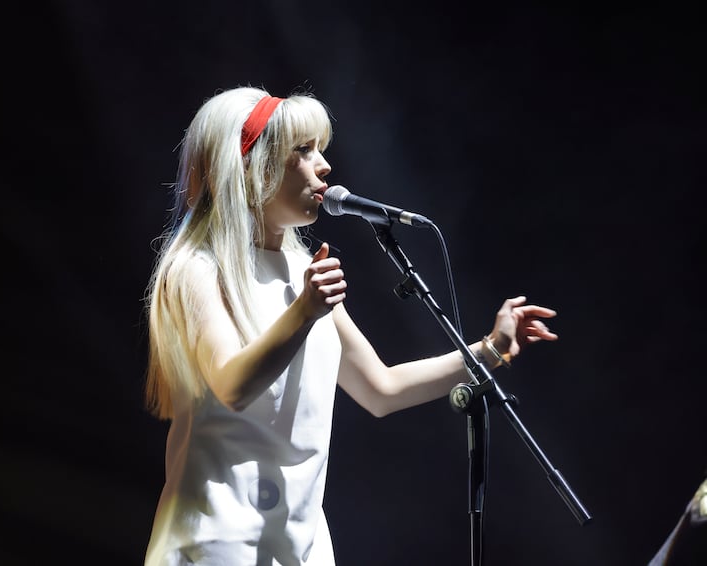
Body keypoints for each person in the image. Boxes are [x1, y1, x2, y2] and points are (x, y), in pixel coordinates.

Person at [143, 86, 558, 566]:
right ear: (250, 166)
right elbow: (232, 387)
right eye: (303, 150)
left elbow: (381, 388)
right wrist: (303, 312)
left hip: (303, 547)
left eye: (322, 149)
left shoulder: (305, 271)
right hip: (218, 543)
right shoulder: (198, 266)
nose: (324, 166)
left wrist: (488, 349)